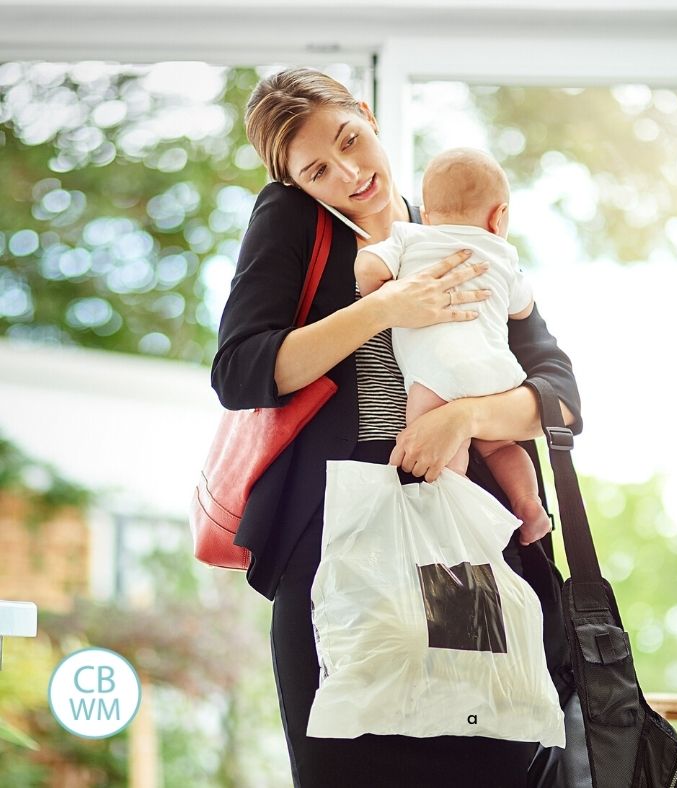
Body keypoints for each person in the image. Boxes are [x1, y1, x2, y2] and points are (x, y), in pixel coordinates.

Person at [210, 67, 582, 788]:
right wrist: (385, 308)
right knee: (353, 758)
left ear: (370, 115)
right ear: (293, 182)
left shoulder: (451, 223)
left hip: (456, 547)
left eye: (351, 140)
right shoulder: (294, 222)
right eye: (317, 168)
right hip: (339, 547)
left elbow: (560, 398)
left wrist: (465, 419)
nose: (349, 173)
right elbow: (240, 370)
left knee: (486, 749)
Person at [354, 147, 551, 546]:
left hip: (436, 371)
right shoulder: (503, 253)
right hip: (496, 372)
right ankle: (528, 504)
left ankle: (449, 522)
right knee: (502, 447)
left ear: (426, 215)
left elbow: (367, 269)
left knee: (439, 449)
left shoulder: (410, 236)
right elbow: (522, 308)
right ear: (499, 217)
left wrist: (388, 293)